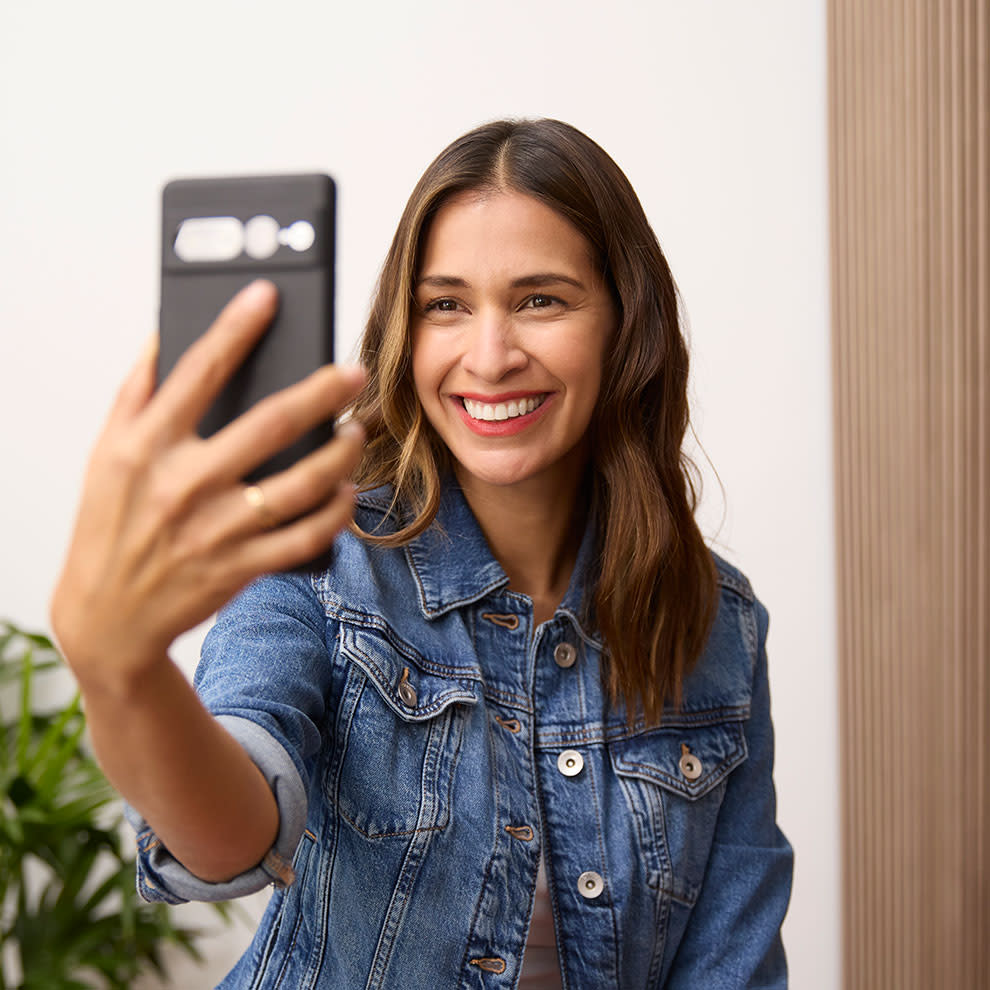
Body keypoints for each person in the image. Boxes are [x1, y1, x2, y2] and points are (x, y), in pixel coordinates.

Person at [51, 118, 793, 988]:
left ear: (625, 327)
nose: (489, 356)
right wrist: (120, 672)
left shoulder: (717, 624)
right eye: (446, 305)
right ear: (406, 332)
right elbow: (229, 836)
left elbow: (731, 969)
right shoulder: (318, 560)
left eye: (540, 299)